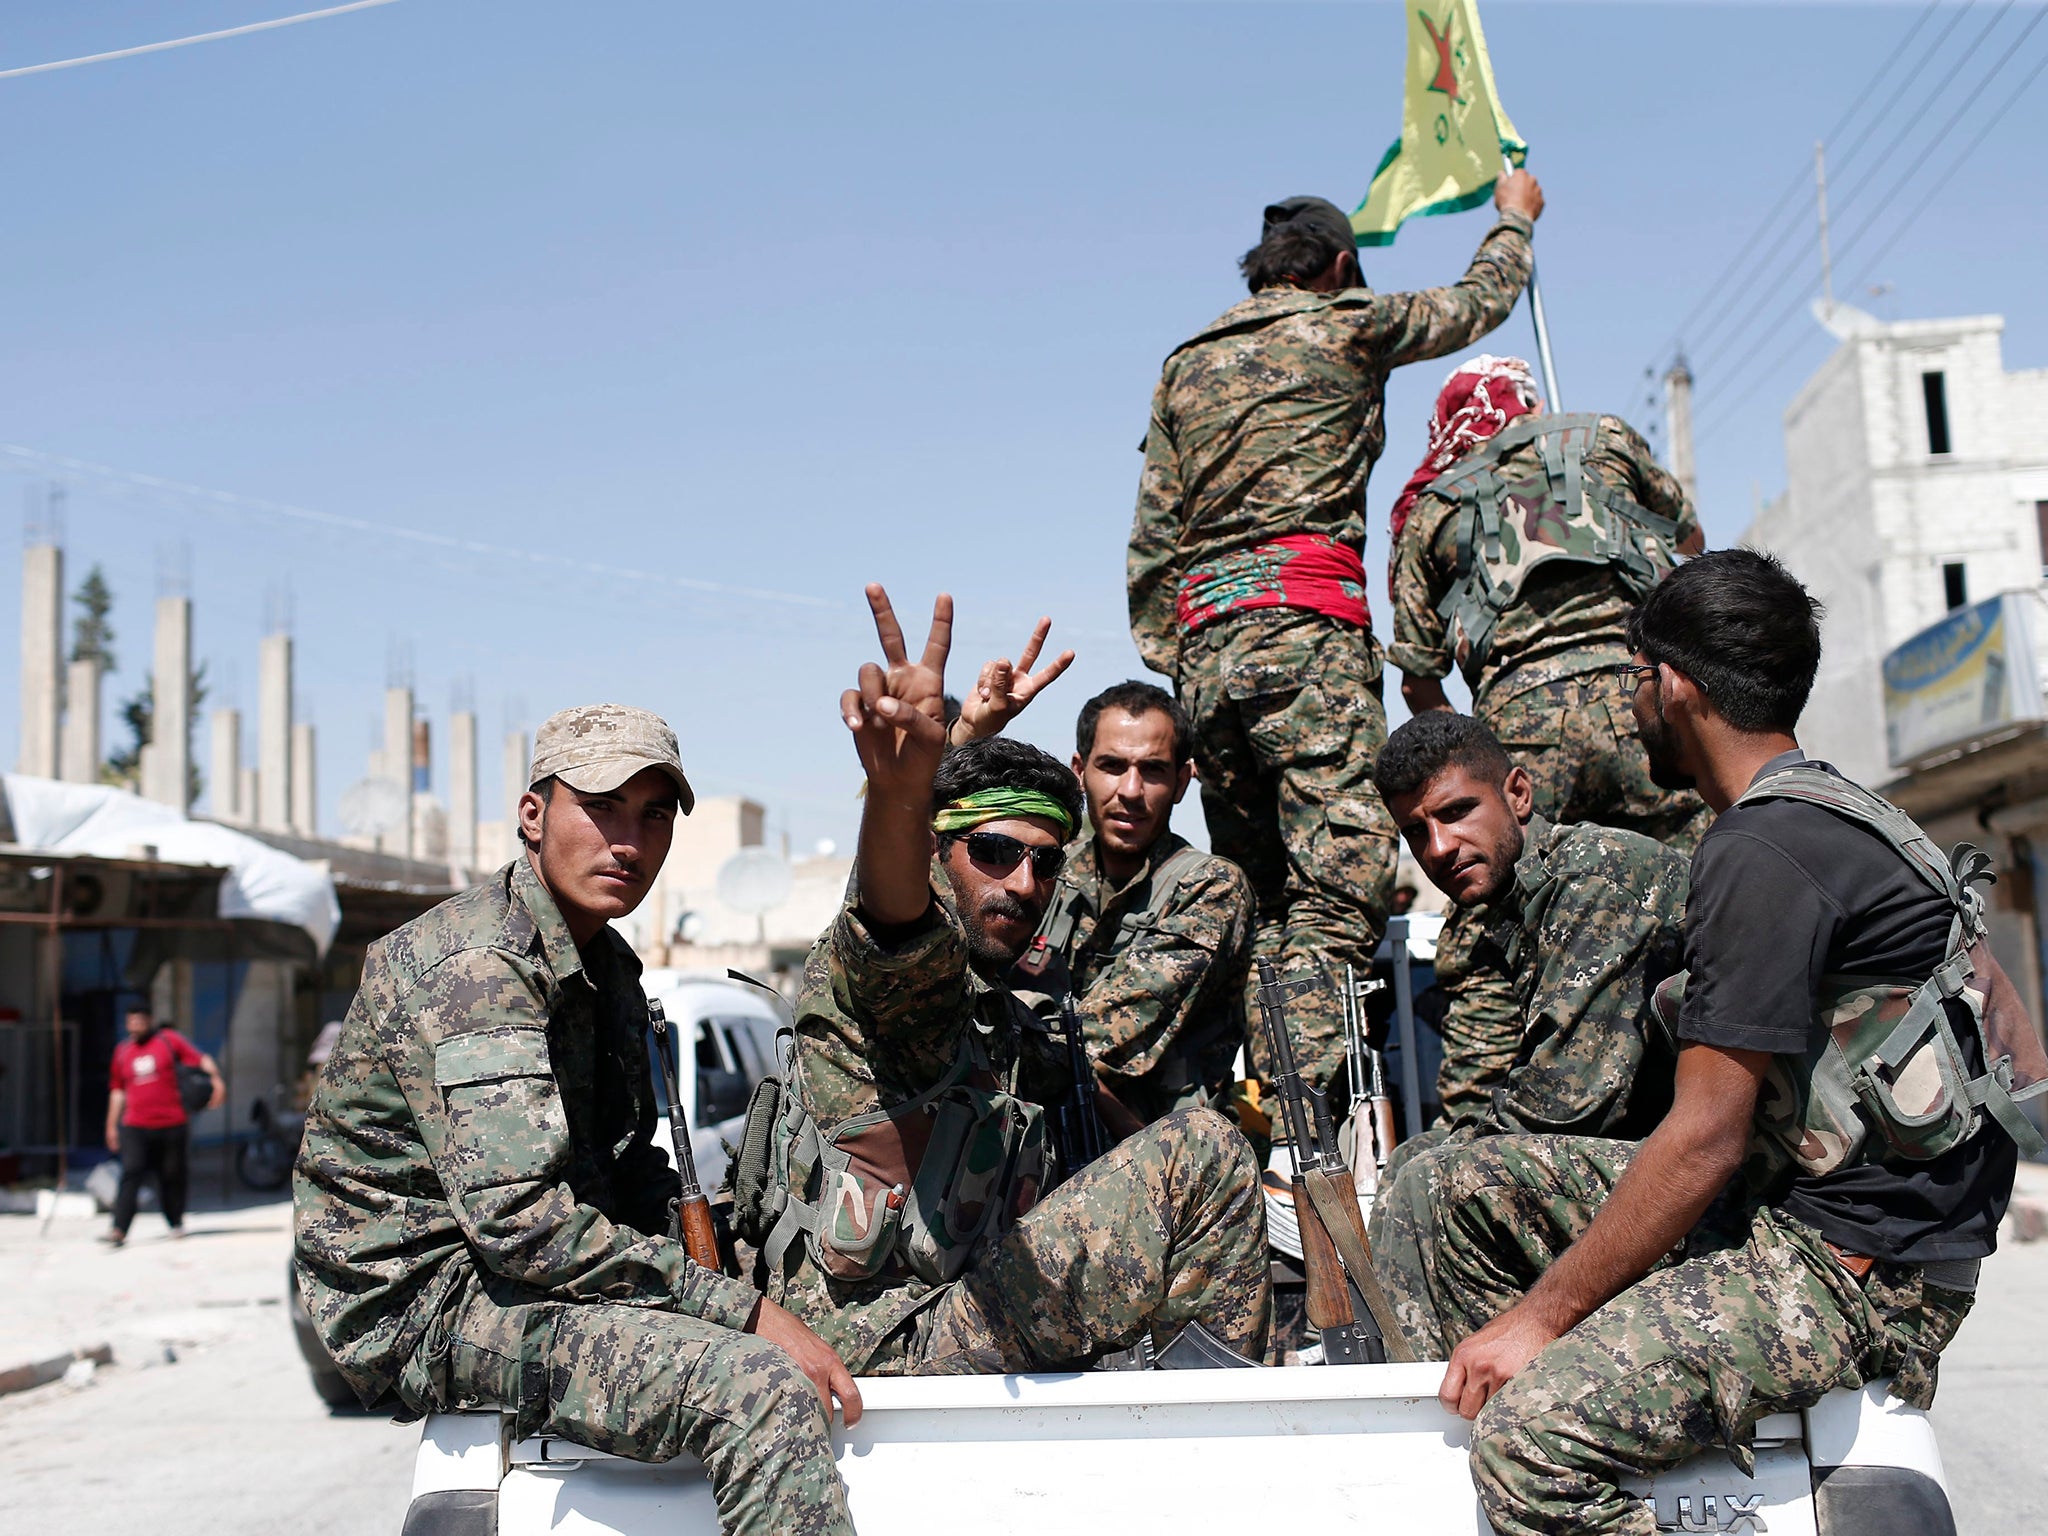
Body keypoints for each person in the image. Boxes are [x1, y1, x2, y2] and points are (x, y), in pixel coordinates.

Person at [1394, 551, 2029, 1536]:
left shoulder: (1761, 851)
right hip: (1827, 1221)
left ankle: (1565, 1410)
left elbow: (1703, 1139)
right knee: (1455, 1191)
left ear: (1675, 685)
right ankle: (1606, 1399)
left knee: (1525, 1448)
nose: (1630, 707)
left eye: (1634, 680)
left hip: (1852, 1275)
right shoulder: (1824, 815)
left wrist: (1541, 1320)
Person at [295, 704, 857, 1536]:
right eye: (600, 808)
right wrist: (740, 1313)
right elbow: (521, 1222)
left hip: (518, 1275)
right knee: (754, 1391)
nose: (627, 842)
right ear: (533, 815)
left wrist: (749, 1271)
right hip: (428, 1299)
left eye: (653, 815)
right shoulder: (478, 966)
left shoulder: (606, 963)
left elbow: (631, 1173)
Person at [744, 586, 1269, 1376]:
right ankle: (1222, 1441)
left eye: (1046, 862)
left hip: (948, 1303)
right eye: (992, 851)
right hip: (884, 1340)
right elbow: (893, 912)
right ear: (936, 847)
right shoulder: (904, 973)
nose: (1023, 883)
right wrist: (898, 787)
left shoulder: (1008, 1003)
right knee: (1207, 1153)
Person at [1127, 172, 1544, 1093]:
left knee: (1262, 900)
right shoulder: (1348, 324)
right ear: (1341, 268)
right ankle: (1296, 1124)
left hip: (1206, 654)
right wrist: (1513, 217)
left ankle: (1246, 1109)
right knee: (1339, 889)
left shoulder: (1185, 361)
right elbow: (1479, 303)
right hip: (1306, 637)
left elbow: (1153, 534)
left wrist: (1190, 654)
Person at [1385, 356, 1709, 1121]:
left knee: (1497, 927)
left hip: (1518, 729)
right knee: (1707, 888)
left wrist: (1475, 754)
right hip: (1639, 699)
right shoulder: (1603, 435)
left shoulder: (1433, 504)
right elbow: (1690, 540)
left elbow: (1418, 682)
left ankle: (1475, 1127)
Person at [1363, 712, 1688, 1355]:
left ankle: (1443, 1398)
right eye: (1416, 832)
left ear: (1517, 793)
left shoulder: (1596, 877)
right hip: (1650, 1160)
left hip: (1709, 1184)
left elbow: (1570, 1104)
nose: (1438, 848)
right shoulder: (1521, 899)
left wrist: (1459, 1153)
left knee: (1442, 1181)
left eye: (1456, 812)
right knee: (1413, 1161)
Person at [1004, 681, 1255, 1126]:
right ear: (1079, 772)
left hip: (1162, 1156)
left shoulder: (1209, 888)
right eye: (1112, 766)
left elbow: (1096, 1038)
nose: (1131, 790)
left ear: (1182, 781)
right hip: (1036, 1128)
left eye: (1153, 770)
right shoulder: (1044, 868)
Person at [101, 1006, 222, 1246]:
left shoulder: (168, 1041)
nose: (135, 1026)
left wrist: (217, 1081)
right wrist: (111, 1125)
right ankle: (119, 1229)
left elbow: (201, 1059)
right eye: (131, 1021)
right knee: (131, 1172)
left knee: (172, 1174)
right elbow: (117, 1091)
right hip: (135, 1124)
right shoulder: (123, 1051)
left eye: (140, 1021)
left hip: (172, 1122)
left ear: (149, 1021)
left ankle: (175, 1221)